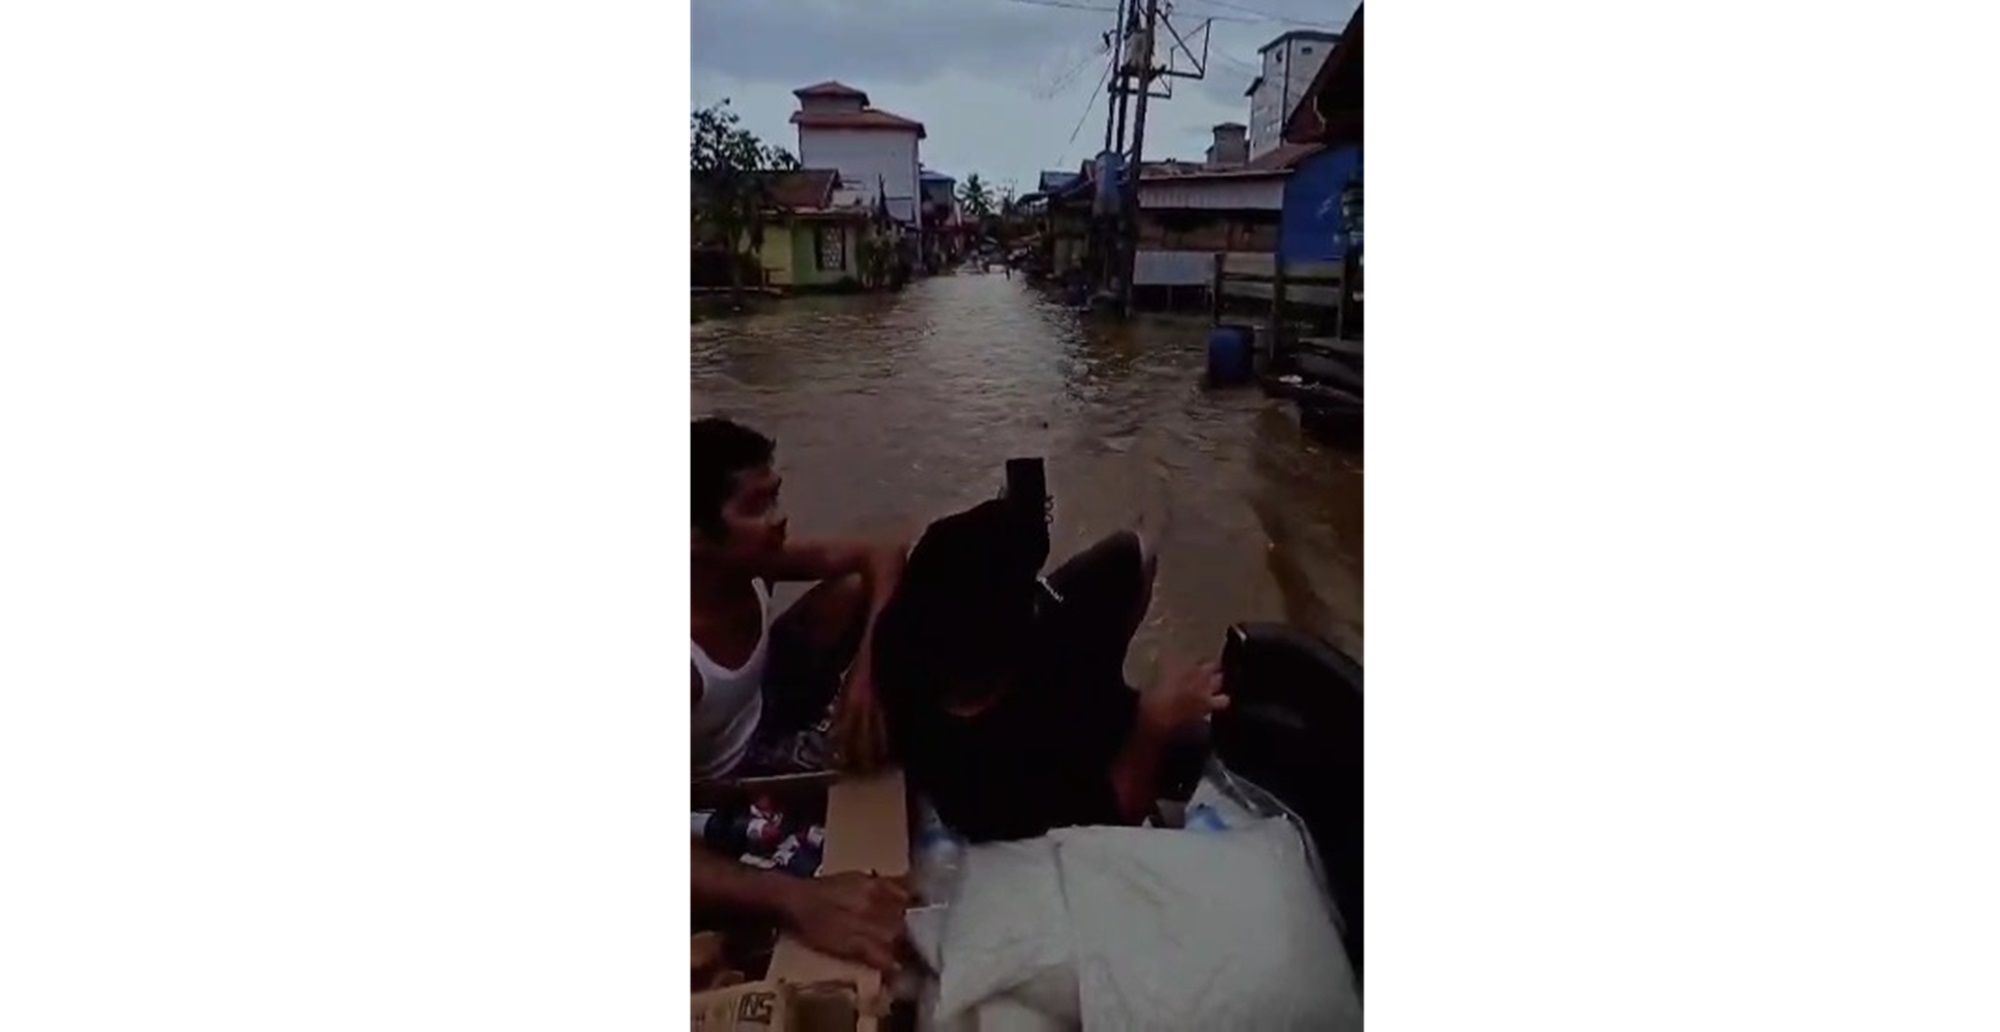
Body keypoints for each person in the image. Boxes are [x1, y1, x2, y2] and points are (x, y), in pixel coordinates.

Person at [873, 497, 1227, 843]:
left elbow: (1138, 553)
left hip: (1071, 693)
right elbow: (1115, 820)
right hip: (1076, 769)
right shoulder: (981, 789)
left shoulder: (903, 636)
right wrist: (1153, 722)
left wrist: (1114, 637)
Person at [689, 417, 906, 780]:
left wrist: (866, 674)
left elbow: (884, 551)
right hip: (725, 781)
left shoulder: (756, 562)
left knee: (856, 586)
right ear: (695, 537)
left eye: (774, 497)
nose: (781, 518)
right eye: (755, 507)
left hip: (768, 707)